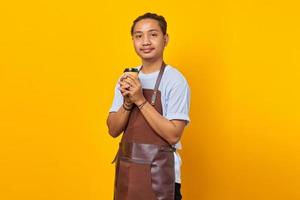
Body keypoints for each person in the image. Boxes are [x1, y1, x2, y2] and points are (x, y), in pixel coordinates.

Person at [107, 12, 190, 200]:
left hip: (161, 175)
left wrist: (139, 99)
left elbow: (173, 134)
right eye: (139, 36)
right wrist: (127, 103)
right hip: (128, 173)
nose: (145, 41)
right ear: (133, 41)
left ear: (165, 39)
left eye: (153, 34)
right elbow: (113, 129)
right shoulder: (127, 78)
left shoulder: (175, 80)